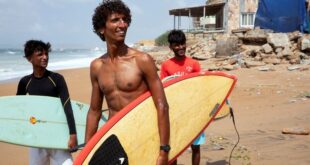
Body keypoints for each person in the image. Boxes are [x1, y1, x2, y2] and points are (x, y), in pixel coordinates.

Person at [84, 0, 170, 165]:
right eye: (115, 20)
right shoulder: (96, 66)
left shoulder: (142, 60)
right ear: (101, 28)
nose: (122, 25)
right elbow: (94, 111)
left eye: (125, 20)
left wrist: (164, 149)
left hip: (143, 134)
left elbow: (162, 105)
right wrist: (87, 150)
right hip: (115, 136)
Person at [16, 40, 77, 165]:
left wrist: (73, 134)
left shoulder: (56, 79)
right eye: (40, 55)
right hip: (36, 138)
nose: (45, 57)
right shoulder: (25, 82)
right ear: (29, 58)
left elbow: (67, 106)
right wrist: (21, 133)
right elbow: (19, 109)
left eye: (46, 54)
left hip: (58, 135)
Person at [160, 29, 205, 165]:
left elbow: (201, 87)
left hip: (193, 110)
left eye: (182, 44)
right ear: (171, 47)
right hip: (175, 111)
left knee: (196, 146)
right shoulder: (166, 65)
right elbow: (163, 87)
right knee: (173, 147)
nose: (180, 48)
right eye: (177, 45)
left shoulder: (194, 64)